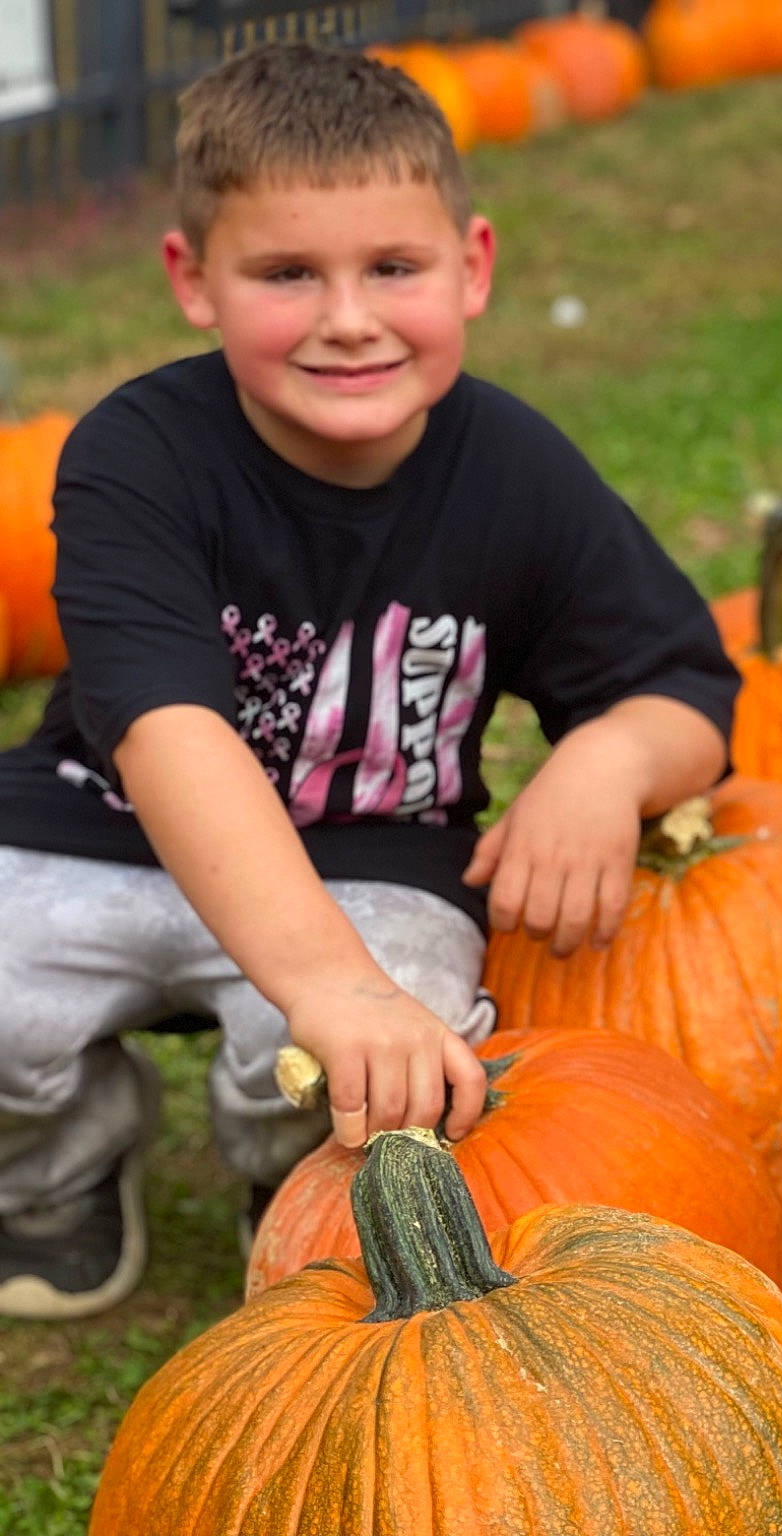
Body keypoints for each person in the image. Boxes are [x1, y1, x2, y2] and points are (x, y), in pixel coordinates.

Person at [0, 42, 739, 1321]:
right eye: (287, 274)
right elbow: (168, 734)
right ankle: (54, 1165)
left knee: (407, 1031)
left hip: (372, 855)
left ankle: (287, 1177)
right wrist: (325, 986)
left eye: (393, 269)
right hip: (106, 834)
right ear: (195, 281)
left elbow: (685, 682)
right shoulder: (138, 454)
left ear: (474, 266)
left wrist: (605, 762)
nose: (348, 318)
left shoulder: (513, 470)